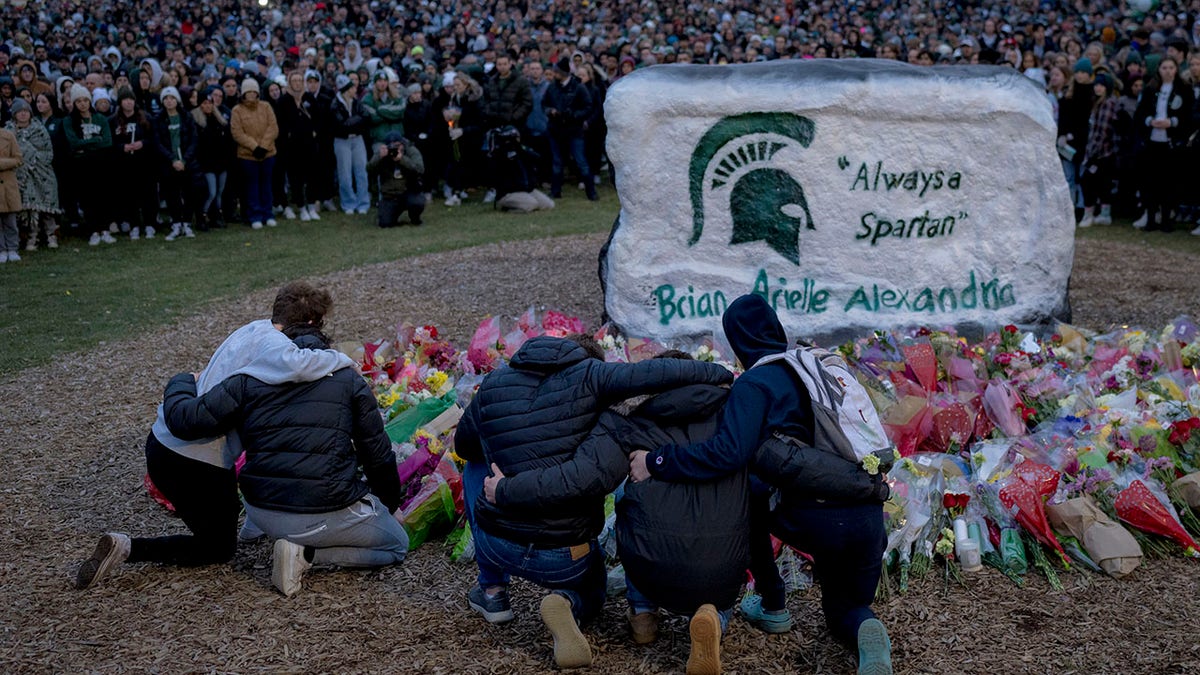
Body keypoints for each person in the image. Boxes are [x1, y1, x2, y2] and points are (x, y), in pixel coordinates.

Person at [629, 294, 893, 675]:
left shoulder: (756, 383)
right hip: (867, 513)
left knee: (748, 497)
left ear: (737, 342)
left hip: (814, 516)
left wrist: (658, 460)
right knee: (846, 611)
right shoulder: (815, 365)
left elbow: (726, 453)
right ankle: (867, 628)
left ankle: (773, 604)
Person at [454, 334, 733, 669]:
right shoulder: (591, 376)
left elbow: (465, 445)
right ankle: (578, 602)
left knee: (474, 465)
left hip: (497, 543)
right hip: (565, 555)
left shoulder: (496, 381)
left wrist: (506, 475)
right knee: (595, 583)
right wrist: (720, 374)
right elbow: (650, 374)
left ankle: (493, 590)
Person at [73, 283, 355, 589]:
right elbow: (300, 365)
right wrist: (345, 360)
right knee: (218, 548)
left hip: (161, 443)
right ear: (312, 323)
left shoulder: (251, 329)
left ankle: (245, 525)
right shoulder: (275, 347)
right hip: (198, 461)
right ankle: (127, 547)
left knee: (214, 528)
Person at [161, 291, 408, 598]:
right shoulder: (348, 379)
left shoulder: (250, 375)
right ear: (319, 327)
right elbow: (377, 456)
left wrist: (182, 380)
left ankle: (253, 531)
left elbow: (186, 419)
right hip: (323, 509)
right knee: (396, 544)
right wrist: (388, 506)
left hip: (261, 507)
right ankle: (306, 556)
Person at [1132, 56, 1194, 233]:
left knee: (1169, 183)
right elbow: (1140, 113)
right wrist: (1149, 120)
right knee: (1150, 182)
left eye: (1171, 67)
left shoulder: (1184, 90)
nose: (1167, 71)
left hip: (1171, 144)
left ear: (1176, 70)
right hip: (1152, 142)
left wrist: (1172, 122)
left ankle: (1166, 220)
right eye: (1164, 67)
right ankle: (1151, 219)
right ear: (1159, 70)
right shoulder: (1151, 89)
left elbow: (1188, 116)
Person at [5, 99, 60, 251]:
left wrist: (32, 157)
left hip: (41, 172)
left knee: (46, 204)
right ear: (14, 114)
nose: (23, 114)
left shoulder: (40, 130)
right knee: (25, 207)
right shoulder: (8, 132)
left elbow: (48, 153)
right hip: (19, 174)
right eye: (19, 111)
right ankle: (31, 236)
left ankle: (50, 234)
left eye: (26, 111)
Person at [62, 82, 113, 246]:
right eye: (79, 101)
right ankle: (93, 231)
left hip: (101, 163)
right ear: (74, 103)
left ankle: (105, 229)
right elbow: (74, 143)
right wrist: (95, 140)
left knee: (103, 197)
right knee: (87, 198)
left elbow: (107, 142)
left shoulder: (100, 118)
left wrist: (87, 144)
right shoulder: (69, 121)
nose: (82, 103)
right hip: (82, 166)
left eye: (85, 100)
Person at [481, 53, 533, 203]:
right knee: (494, 159)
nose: (502, 67)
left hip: (513, 126)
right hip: (495, 126)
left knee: (515, 158)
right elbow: (486, 101)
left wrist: (514, 117)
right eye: (499, 64)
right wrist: (489, 113)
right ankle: (495, 188)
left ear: (510, 64)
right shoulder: (492, 81)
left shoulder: (521, 81)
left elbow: (527, 103)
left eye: (504, 64)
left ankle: (518, 187)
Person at [109, 87, 158, 239]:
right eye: (125, 99)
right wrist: (122, 147)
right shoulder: (113, 121)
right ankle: (134, 224)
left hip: (144, 164)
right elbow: (110, 142)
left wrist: (143, 143)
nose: (129, 102)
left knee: (148, 195)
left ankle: (150, 224)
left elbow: (154, 139)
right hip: (125, 165)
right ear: (120, 102)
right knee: (130, 196)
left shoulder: (145, 117)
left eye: (131, 99)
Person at [544, 60, 597, 201]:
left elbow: (588, 107)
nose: (553, 74)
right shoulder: (552, 87)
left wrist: (573, 115)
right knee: (557, 162)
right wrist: (550, 111)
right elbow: (545, 103)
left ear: (562, 73)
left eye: (556, 72)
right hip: (556, 129)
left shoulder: (579, 87)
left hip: (574, 130)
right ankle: (555, 192)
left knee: (581, 161)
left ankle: (591, 192)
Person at [230, 77, 279, 230]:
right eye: (248, 92)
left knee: (266, 185)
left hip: (268, 153)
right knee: (252, 187)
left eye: (254, 92)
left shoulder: (266, 107)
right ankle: (255, 215)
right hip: (248, 156)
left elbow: (273, 128)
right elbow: (237, 132)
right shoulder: (237, 110)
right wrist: (254, 147)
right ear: (243, 94)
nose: (251, 95)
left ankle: (268, 214)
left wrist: (263, 147)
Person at [275, 71, 321, 221]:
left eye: (300, 80)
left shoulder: (308, 98)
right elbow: (280, 124)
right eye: (294, 80)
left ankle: (312, 206)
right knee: (296, 179)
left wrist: (315, 131)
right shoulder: (283, 101)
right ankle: (301, 208)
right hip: (292, 147)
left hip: (310, 145)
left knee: (313, 177)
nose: (297, 83)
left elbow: (318, 118)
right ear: (289, 82)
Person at [153, 86, 198, 240]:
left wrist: (184, 159)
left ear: (177, 100)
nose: (169, 101)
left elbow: (193, 140)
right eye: (166, 98)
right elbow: (158, 143)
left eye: (172, 98)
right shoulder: (158, 119)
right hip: (169, 163)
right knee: (172, 195)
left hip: (186, 162)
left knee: (189, 193)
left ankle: (186, 223)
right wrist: (172, 160)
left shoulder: (186, 117)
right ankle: (176, 223)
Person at [1078, 73, 1120, 228]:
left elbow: (1102, 132)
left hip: (1102, 153)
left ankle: (1090, 214)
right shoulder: (1097, 102)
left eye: (1101, 85)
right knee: (1101, 183)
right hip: (1098, 152)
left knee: (1087, 181)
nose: (1097, 87)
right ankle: (1103, 213)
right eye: (1096, 84)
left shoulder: (1108, 104)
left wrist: (1092, 155)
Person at [192, 87, 234, 228]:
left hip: (221, 163)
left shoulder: (220, 120)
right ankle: (202, 216)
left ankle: (217, 216)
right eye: (204, 103)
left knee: (219, 193)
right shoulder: (196, 122)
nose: (207, 106)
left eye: (210, 103)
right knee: (211, 192)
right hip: (206, 164)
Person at [330, 74, 371, 215]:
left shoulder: (357, 102)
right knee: (345, 174)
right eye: (352, 87)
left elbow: (366, 117)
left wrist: (353, 122)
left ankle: (363, 202)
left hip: (358, 140)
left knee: (361, 172)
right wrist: (357, 121)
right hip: (342, 141)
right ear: (346, 90)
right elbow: (342, 125)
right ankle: (348, 203)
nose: (355, 89)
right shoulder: (335, 104)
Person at [367, 131, 425, 227]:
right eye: (392, 146)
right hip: (390, 195)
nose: (395, 149)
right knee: (385, 223)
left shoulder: (411, 150)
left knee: (417, 202)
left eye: (398, 145)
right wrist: (379, 158)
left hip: (408, 191)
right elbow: (369, 169)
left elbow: (420, 169)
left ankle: (415, 218)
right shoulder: (382, 153)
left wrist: (402, 159)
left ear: (403, 144)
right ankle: (389, 215)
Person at [0, 122, 22, 262]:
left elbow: (18, 159)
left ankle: (13, 248)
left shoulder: (8, 136)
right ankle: (1, 249)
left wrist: (2, 163)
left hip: (7, 184)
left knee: (10, 220)